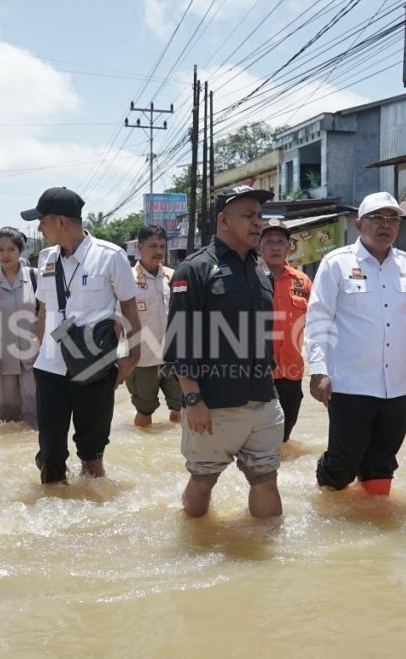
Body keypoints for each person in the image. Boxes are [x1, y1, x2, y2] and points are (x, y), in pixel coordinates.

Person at [304, 191, 406, 496]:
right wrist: (318, 369)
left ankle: (375, 525)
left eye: (393, 219)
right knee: (344, 461)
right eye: (377, 218)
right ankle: (323, 487)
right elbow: (318, 321)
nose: (386, 225)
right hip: (350, 384)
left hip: (396, 387)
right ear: (359, 224)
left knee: (383, 462)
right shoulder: (336, 263)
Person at [164, 184, 284, 518]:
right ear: (223, 220)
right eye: (248, 215)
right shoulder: (194, 269)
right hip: (213, 403)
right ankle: (193, 544)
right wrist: (192, 399)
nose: (257, 222)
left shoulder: (261, 270)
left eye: (259, 216)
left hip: (261, 398)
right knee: (203, 480)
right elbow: (180, 340)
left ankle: (272, 562)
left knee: (266, 479)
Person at [22, 187, 141, 484]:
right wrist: (37, 357)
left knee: (91, 455)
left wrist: (133, 355)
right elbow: (43, 310)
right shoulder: (46, 259)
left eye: (42, 220)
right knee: (50, 454)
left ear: (61, 221)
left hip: (94, 368)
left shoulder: (110, 256)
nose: (38, 227)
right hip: (51, 368)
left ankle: (91, 510)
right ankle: (54, 518)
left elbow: (129, 307)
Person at [0, 226, 39, 428]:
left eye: (11, 249)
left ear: (20, 251)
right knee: (9, 420)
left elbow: (49, 316)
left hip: (34, 359)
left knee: (36, 417)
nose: (5, 255)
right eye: (0, 250)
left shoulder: (36, 278)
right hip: (0, 360)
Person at [257, 218, 312, 442]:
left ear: (290, 247)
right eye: (268, 241)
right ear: (258, 247)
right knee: (256, 440)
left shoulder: (303, 281)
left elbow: (319, 325)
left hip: (291, 374)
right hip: (256, 375)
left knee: (283, 439)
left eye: (281, 241)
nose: (275, 246)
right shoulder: (248, 278)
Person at [126, 225, 181, 427]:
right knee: (144, 410)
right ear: (139, 248)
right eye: (152, 246)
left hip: (172, 359)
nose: (158, 251)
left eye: (162, 246)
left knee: (180, 407)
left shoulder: (173, 277)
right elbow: (117, 320)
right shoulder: (128, 279)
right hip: (142, 360)